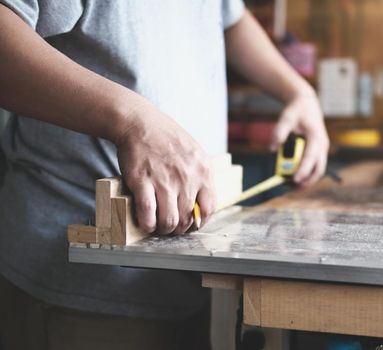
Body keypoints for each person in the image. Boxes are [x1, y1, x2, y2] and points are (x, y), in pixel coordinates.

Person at [0, 1, 329, 349]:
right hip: (80, 285)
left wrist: (299, 92)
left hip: (182, 275)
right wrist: (133, 120)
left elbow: (228, 17)